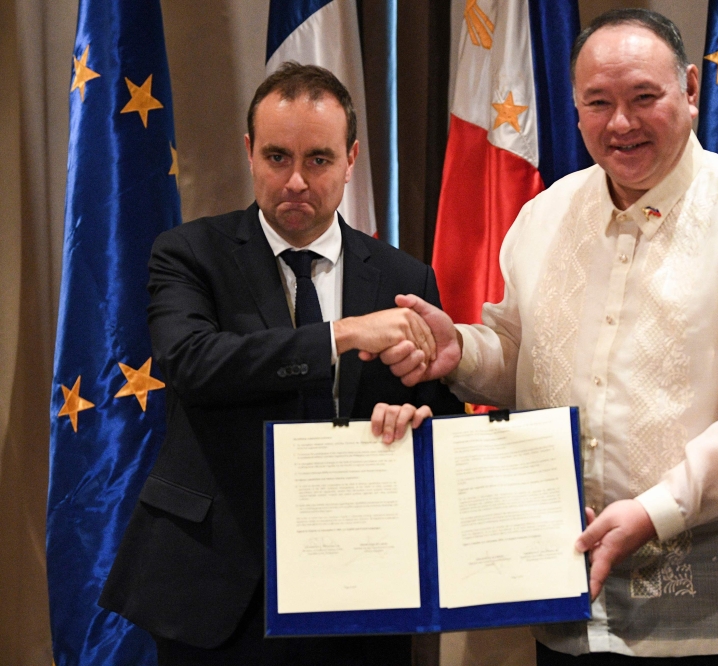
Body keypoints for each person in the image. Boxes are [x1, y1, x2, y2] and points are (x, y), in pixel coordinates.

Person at [384, 9, 718, 665]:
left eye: (643, 98)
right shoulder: (544, 217)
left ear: (688, 89)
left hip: (709, 614)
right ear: (575, 106)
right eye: (598, 103)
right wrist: (462, 352)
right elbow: (518, 359)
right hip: (566, 599)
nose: (620, 124)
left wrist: (655, 510)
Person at [99, 62, 463, 665]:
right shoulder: (189, 253)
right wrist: (341, 335)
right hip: (219, 588)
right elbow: (193, 363)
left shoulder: (404, 277)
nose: (295, 180)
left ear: (351, 159)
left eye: (318, 159)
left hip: (363, 587)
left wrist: (414, 417)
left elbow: (441, 413)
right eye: (276, 158)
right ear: (248, 153)